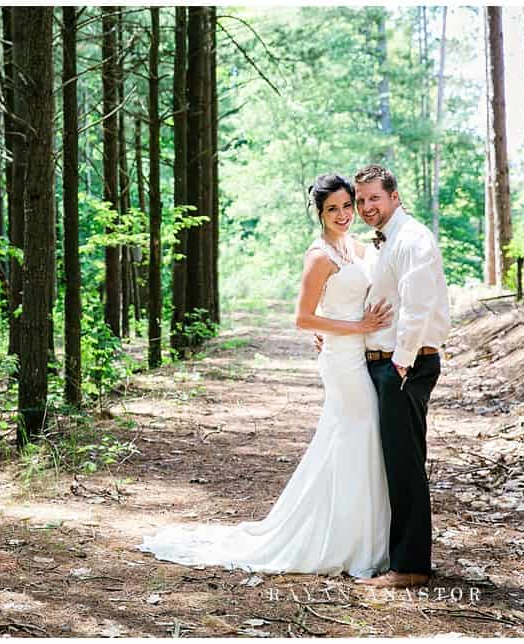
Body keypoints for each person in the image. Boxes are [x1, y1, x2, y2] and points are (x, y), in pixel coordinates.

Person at [138, 174, 393, 579]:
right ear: (320, 214)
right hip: (342, 360)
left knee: (352, 439)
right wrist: (356, 327)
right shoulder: (320, 256)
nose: (344, 215)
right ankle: (342, 541)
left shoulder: (354, 247)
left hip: (356, 354)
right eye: (333, 209)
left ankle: (361, 534)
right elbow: (303, 317)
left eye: (348, 206)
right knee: (356, 434)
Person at [351, 164, 450, 589]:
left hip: (403, 365)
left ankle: (410, 566)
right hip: (384, 362)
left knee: (405, 464)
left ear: (393, 196)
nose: (367, 207)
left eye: (374, 197)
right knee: (391, 461)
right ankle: (394, 554)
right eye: (361, 200)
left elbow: (419, 304)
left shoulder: (413, 239)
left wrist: (401, 363)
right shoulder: (381, 243)